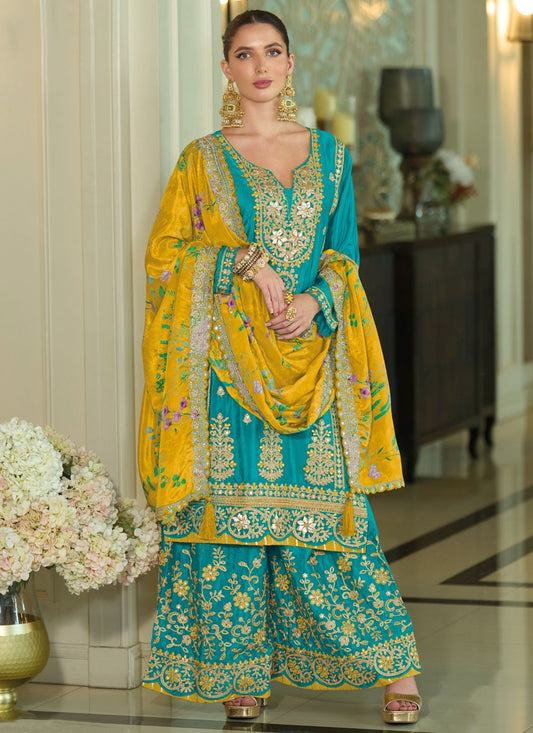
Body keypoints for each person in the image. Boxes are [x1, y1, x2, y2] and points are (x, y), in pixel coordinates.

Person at [138, 9, 421, 726]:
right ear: (226, 69)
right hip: (227, 370)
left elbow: (342, 254)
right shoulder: (201, 161)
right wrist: (243, 262)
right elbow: (166, 258)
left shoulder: (330, 156)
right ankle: (241, 673)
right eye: (244, 54)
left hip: (312, 363)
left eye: (272, 52)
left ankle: (396, 670)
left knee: (333, 524)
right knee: (230, 524)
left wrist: (316, 299)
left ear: (290, 64)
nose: (259, 66)